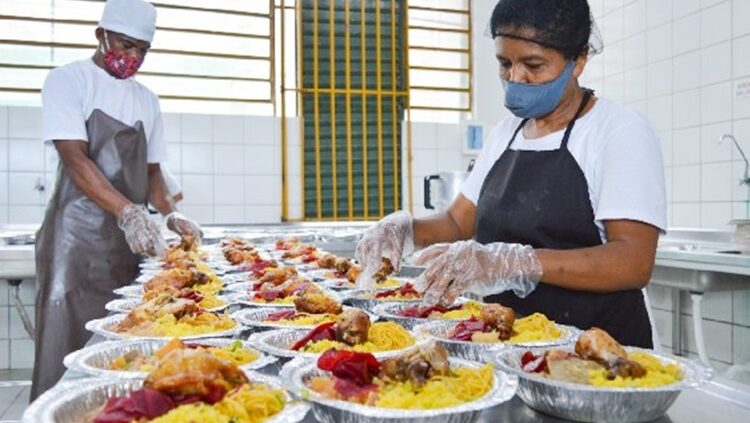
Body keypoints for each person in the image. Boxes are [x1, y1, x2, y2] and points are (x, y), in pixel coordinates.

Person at [356, 0, 665, 349]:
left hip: (599, 349)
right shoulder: (507, 133)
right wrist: (404, 230)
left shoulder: (617, 131)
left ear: (578, 61)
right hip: (511, 342)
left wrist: (515, 262)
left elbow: (633, 261)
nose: (516, 78)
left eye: (533, 65)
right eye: (505, 64)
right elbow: (458, 223)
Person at [32, 0, 202, 399]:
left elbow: (153, 174)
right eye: (125, 45)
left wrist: (172, 216)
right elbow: (75, 159)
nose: (133, 57)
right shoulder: (68, 80)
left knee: (125, 350)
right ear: (100, 35)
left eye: (142, 50)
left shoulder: (148, 100)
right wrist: (127, 211)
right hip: (73, 244)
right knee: (67, 347)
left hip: (128, 247)